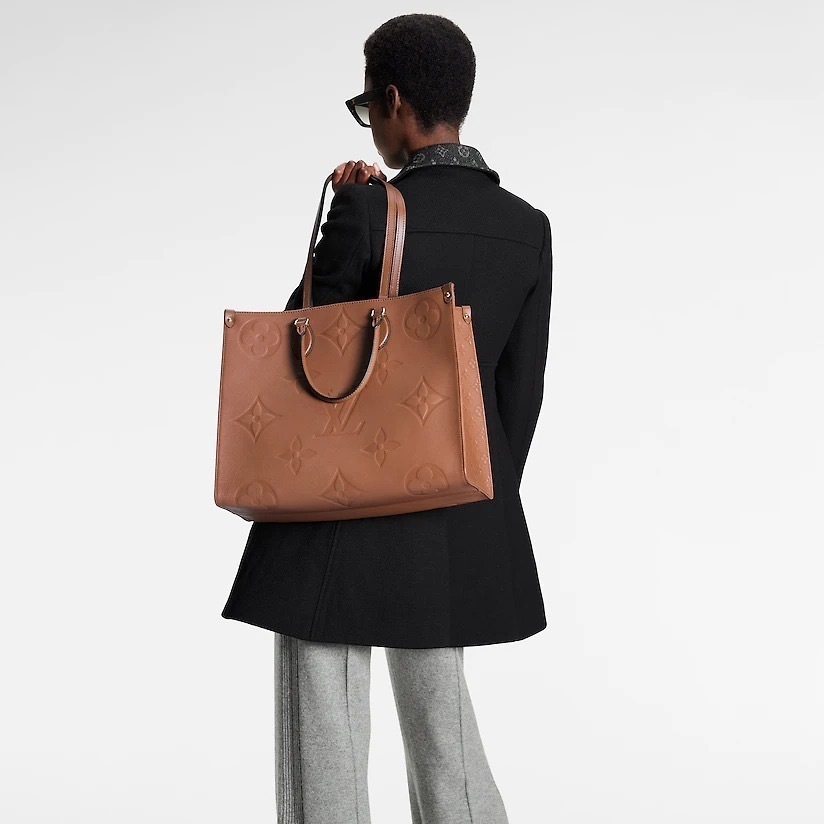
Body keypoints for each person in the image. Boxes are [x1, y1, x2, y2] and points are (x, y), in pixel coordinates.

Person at [221, 13, 553, 824]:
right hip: (452, 509)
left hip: (338, 510)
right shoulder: (527, 228)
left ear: (394, 101)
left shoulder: (369, 210)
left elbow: (304, 350)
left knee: (324, 724)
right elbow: (518, 396)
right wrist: (464, 498)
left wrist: (344, 216)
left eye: (367, 106)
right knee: (445, 735)